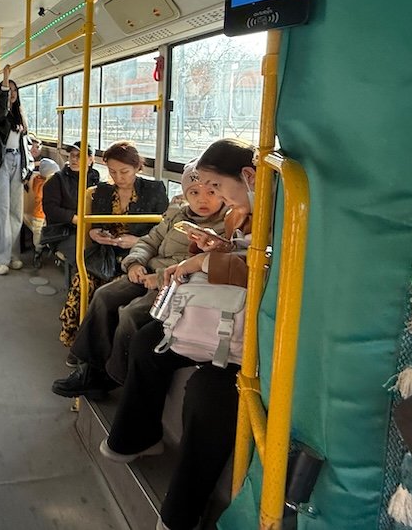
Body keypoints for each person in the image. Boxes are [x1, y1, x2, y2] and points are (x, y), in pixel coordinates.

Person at [100, 138, 256, 530]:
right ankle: (139, 436)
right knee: (148, 341)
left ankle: (183, 513)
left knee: (206, 395)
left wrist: (202, 261)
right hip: (220, 313)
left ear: (249, 177)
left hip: (248, 330)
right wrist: (210, 249)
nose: (213, 195)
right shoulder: (238, 215)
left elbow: (261, 271)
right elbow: (234, 256)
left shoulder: (281, 218)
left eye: (217, 187)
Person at [51, 159, 226, 399]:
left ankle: (111, 377)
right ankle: (91, 369)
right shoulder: (177, 214)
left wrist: (160, 278)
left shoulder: (224, 227)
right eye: (194, 193)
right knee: (104, 295)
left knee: (132, 314)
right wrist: (135, 263)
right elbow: (150, 241)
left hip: (177, 283)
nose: (202, 200)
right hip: (148, 272)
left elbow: (202, 264)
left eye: (211, 192)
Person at [58, 141, 170, 347]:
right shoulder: (102, 191)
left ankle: (102, 345)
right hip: (106, 253)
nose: (118, 178)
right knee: (82, 283)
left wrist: (136, 241)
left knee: (112, 292)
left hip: (138, 256)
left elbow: (162, 232)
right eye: (112, 172)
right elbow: (97, 224)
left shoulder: (154, 190)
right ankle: (75, 338)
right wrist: (95, 233)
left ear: (137, 167)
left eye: (124, 172)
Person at [0, 64, 32, 275]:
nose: (11, 93)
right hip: (0, 162)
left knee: (15, 212)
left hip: (17, 160)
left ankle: (10, 254)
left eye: (13, 90)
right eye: (7, 90)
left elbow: (24, 143)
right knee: (0, 211)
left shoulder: (19, 115)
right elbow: (2, 111)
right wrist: (5, 78)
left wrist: (27, 167)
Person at [40, 141, 101, 263]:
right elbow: (50, 209)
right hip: (64, 231)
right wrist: (73, 218)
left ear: (90, 160)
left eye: (79, 156)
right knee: (85, 254)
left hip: (89, 227)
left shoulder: (95, 179)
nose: (74, 159)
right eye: (72, 155)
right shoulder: (57, 180)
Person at [28, 157, 60, 267]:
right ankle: (38, 251)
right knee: (38, 234)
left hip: (49, 214)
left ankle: (49, 247)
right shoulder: (39, 183)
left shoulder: (51, 182)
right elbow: (41, 195)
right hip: (39, 214)